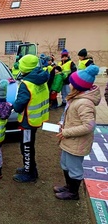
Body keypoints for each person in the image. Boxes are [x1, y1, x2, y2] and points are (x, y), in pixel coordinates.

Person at [54, 65, 100, 200]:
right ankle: (69, 186)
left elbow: (89, 126)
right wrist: (63, 124)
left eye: (71, 83)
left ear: (77, 86)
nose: (69, 84)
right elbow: (73, 117)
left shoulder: (84, 103)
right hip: (69, 140)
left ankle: (73, 193)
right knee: (65, 164)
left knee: (75, 169)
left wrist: (67, 132)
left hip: (77, 143)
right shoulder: (76, 99)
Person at [12, 54, 50, 183]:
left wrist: (14, 106)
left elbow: (20, 104)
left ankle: (30, 174)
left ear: (24, 67)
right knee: (28, 146)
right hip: (37, 118)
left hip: (28, 122)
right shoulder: (42, 78)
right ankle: (29, 168)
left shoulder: (26, 84)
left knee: (26, 147)